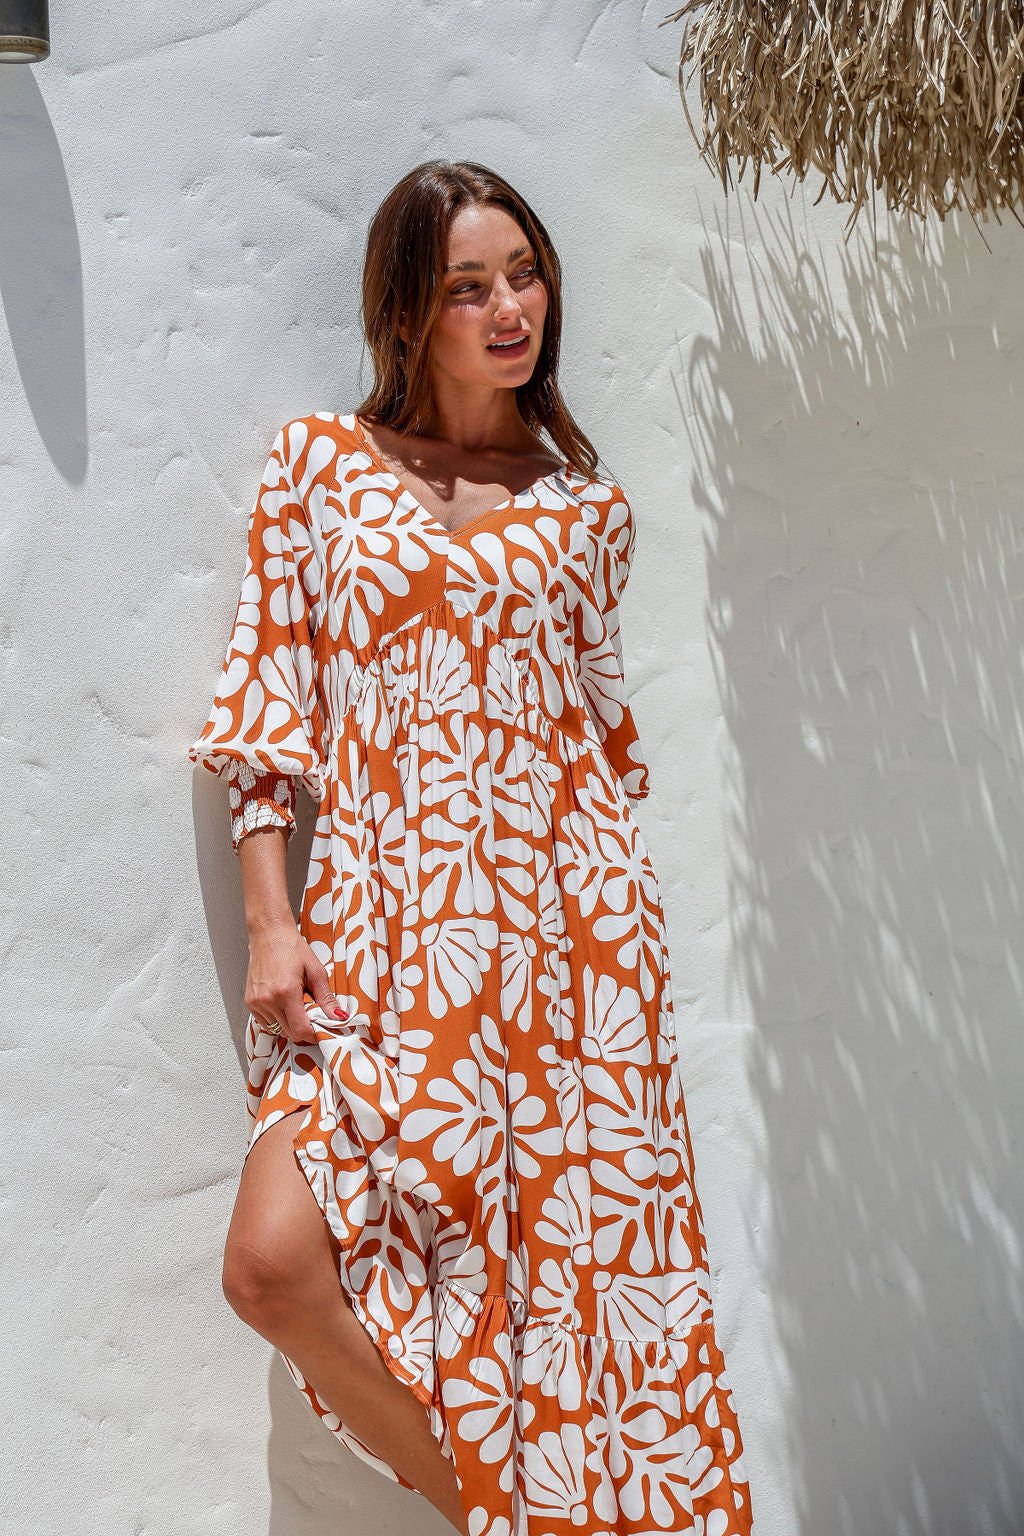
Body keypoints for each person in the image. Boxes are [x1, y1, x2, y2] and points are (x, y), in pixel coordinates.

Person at [187, 158, 754, 1536]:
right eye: (468, 287)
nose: (511, 309)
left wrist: (614, 985)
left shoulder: (582, 511)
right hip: (380, 942)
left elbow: (598, 753)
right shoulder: (321, 469)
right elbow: (269, 711)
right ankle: (515, 1511)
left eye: (525, 275)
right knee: (270, 1262)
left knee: (558, 1302)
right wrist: (274, 922)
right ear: (406, 313)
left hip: (558, 963)